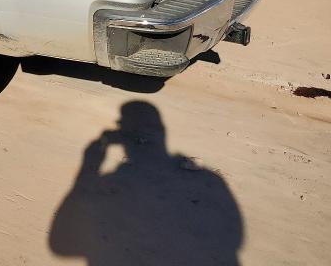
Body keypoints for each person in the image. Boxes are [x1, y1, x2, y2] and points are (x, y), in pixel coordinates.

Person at [49, 101, 243, 265]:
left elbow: (59, 245)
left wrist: (89, 166)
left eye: (123, 123)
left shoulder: (111, 180)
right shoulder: (212, 180)